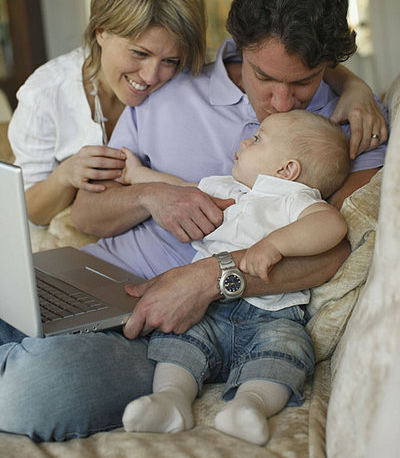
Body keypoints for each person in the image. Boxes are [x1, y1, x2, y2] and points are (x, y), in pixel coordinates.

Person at [0, 0, 388, 442]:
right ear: (238, 46)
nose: (283, 102)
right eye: (264, 77)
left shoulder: (348, 130)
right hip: (93, 276)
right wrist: (152, 197)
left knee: (33, 393)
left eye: (304, 82)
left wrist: (209, 278)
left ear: (329, 67)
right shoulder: (170, 87)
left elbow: (333, 249)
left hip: (178, 325)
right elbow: (86, 214)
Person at [118, 110, 349, 445]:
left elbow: (332, 226)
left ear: (287, 170)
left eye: (258, 139)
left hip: (272, 318)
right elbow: (182, 189)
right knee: (180, 341)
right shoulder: (227, 188)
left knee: (288, 351)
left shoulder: (293, 199)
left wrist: (274, 244)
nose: (245, 140)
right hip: (207, 310)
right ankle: (172, 400)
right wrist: (138, 173)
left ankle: (248, 406)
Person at [7, 0, 210, 226]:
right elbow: (31, 214)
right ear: (101, 31)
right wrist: (65, 175)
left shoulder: (189, 82)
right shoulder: (45, 94)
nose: (150, 76)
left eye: (170, 60)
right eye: (139, 53)